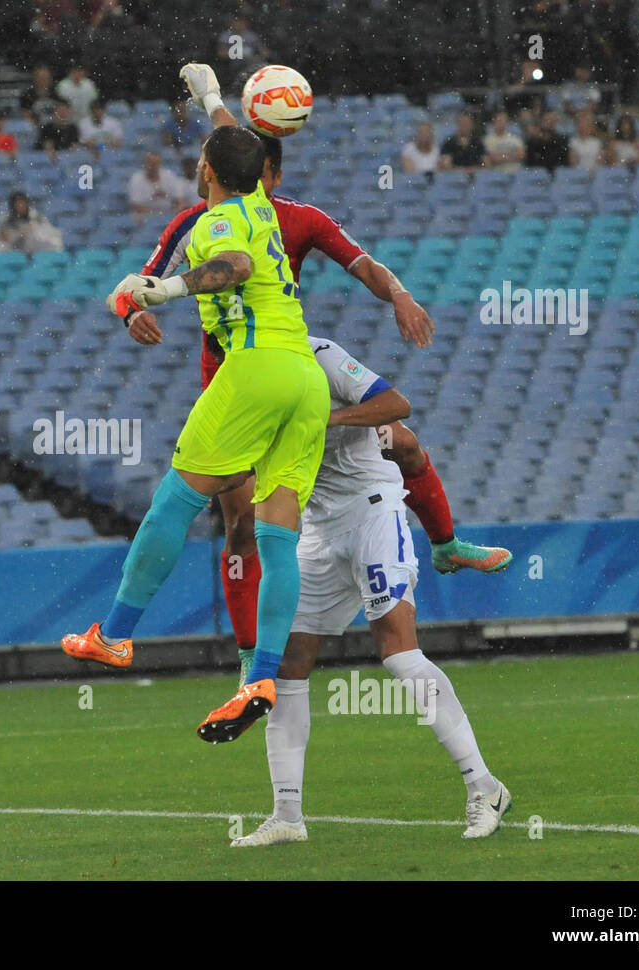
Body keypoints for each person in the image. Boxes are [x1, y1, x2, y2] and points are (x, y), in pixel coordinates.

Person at [134, 61, 507, 684]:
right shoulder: (202, 220)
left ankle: (443, 545)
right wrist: (133, 314)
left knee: (405, 443)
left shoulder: (301, 218)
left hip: (295, 366)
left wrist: (402, 296)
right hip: (230, 380)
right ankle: (253, 656)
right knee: (241, 520)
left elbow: (363, 265)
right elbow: (146, 279)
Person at [61, 125, 335, 743]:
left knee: (173, 502)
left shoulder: (211, 222)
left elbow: (232, 265)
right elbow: (237, 153)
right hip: (304, 376)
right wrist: (211, 97)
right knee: (276, 534)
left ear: (208, 169)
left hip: (251, 372)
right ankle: (262, 674)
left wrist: (173, 288)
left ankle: (115, 635)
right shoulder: (263, 205)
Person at [229, 336, 511, 846]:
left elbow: (397, 407)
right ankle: (287, 815)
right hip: (314, 531)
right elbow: (242, 514)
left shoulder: (317, 355)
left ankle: (485, 786)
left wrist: (327, 420)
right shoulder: (242, 385)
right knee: (289, 667)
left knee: (399, 654)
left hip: (373, 512)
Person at [127, 151, 187, 220]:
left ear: (161, 164)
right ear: (145, 164)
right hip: (147, 217)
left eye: (156, 163)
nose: (153, 165)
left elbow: (181, 201)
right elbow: (137, 206)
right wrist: (158, 216)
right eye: (150, 162)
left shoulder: (169, 176)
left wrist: (176, 213)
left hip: (169, 215)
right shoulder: (136, 179)